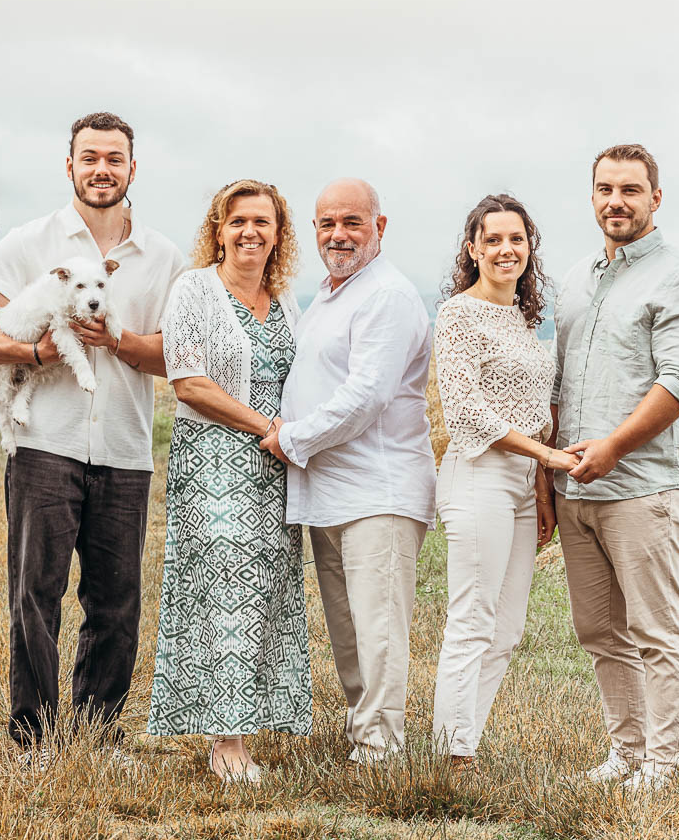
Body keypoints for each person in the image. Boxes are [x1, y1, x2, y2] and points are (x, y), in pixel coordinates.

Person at [0, 112, 187, 762]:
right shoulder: (31, 241)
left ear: (132, 169)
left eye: (115, 157)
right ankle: (32, 736)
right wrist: (30, 349)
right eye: (90, 157)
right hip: (44, 445)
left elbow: (178, 354)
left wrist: (118, 340)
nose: (102, 168)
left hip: (123, 446)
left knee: (115, 600)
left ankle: (96, 734)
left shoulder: (163, 257)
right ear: (70, 166)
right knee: (35, 593)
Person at [550, 144, 679, 792]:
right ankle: (626, 751)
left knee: (654, 629)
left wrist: (614, 446)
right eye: (604, 189)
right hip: (575, 488)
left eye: (629, 189)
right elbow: (560, 383)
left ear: (655, 198)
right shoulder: (578, 277)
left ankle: (665, 763)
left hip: (644, 487)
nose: (615, 201)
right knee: (598, 629)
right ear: (592, 196)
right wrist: (553, 475)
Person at [261, 177, 434, 763]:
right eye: (327, 224)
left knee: (377, 625)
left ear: (379, 228)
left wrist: (292, 438)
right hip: (330, 489)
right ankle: (366, 731)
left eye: (352, 222)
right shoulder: (332, 295)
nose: (338, 234)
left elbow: (367, 396)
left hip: (377, 490)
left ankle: (381, 747)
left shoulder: (387, 295)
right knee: (347, 625)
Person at [149, 179, 312, 782]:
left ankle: (246, 724)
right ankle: (225, 744)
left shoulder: (286, 299)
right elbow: (188, 380)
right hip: (215, 463)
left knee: (264, 594)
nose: (250, 232)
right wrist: (268, 427)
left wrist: (293, 437)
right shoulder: (195, 289)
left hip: (276, 469)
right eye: (238, 220)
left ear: (279, 233)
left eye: (262, 222)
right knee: (222, 595)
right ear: (218, 229)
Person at [430, 194, 580, 770]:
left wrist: (541, 486)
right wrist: (549, 455)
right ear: (473, 249)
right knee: (472, 618)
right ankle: (452, 756)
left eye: (515, 239)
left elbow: (537, 409)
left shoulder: (522, 319)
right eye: (492, 240)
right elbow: (468, 413)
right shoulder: (457, 315)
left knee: (508, 628)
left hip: (522, 484)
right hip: (478, 477)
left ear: (528, 247)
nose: (505, 249)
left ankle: (465, 738)